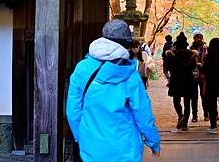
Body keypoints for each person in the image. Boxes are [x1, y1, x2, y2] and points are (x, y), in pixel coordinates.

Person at [66, 19, 160, 162]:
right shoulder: (130, 74)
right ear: (125, 45)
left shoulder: (82, 68)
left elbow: (73, 110)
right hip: (125, 148)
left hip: (92, 146)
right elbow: (142, 113)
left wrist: (81, 136)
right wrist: (153, 142)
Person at [166, 32, 197, 131]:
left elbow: (169, 67)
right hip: (188, 79)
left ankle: (180, 115)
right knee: (187, 101)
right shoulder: (191, 54)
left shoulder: (172, 54)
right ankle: (185, 123)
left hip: (176, 79)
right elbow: (193, 67)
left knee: (176, 100)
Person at [201, 37, 219, 134]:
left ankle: (213, 125)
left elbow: (204, 70)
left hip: (211, 83)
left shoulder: (209, 57)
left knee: (212, 104)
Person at [190, 30, 208, 122]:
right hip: (193, 75)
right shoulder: (190, 48)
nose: (199, 39)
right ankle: (194, 115)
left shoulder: (206, 48)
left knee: (204, 95)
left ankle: (206, 114)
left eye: (200, 37)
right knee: (194, 96)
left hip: (203, 75)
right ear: (194, 38)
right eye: (197, 37)